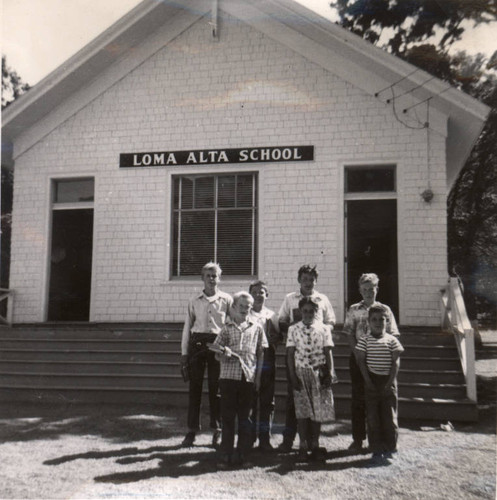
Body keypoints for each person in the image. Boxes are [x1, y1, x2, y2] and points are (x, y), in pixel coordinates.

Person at [278, 264, 335, 452]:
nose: (308, 283)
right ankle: (289, 440)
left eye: (311, 279)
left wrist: (319, 332)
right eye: (304, 279)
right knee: (293, 401)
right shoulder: (290, 299)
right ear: (299, 280)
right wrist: (298, 328)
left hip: (318, 359)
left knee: (317, 404)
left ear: (315, 281)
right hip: (298, 358)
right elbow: (282, 321)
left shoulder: (323, 299)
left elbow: (330, 322)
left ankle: (313, 442)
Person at [343, 273, 399, 452]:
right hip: (359, 358)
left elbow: (393, 334)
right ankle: (358, 439)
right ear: (360, 290)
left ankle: (383, 440)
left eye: (371, 289)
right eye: (364, 289)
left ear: (377, 289)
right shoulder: (354, 309)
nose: (368, 292)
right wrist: (357, 354)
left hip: (381, 359)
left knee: (383, 398)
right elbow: (350, 333)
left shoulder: (385, 309)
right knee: (358, 398)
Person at [211, 291, 267, 469]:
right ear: (233, 308)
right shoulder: (226, 328)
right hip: (228, 378)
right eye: (241, 306)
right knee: (227, 417)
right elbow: (216, 353)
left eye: (248, 307)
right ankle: (225, 454)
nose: (244, 309)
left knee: (245, 418)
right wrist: (223, 353)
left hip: (248, 378)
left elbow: (260, 353)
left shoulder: (256, 327)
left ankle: (243, 454)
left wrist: (258, 377)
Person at [179, 262, 232, 448]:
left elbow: (231, 326)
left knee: (216, 389)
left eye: (215, 276)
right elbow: (187, 328)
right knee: (195, 388)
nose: (211, 279)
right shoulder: (194, 300)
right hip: (197, 344)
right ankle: (191, 431)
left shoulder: (227, 300)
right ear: (202, 278)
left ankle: (217, 430)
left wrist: (229, 349)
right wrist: (184, 353)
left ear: (219, 278)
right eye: (208, 275)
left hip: (218, 344)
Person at [287, 297, 336, 462]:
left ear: (317, 312)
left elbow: (328, 351)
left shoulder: (323, 329)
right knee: (302, 412)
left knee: (317, 411)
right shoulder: (293, 329)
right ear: (300, 311)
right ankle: (302, 444)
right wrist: (293, 376)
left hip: (318, 373)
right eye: (305, 311)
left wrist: (330, 372)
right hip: (301, 373)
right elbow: (289, 354)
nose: (308, 314)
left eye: (312, 311)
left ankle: (314, 444)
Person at [355, 304, 404, 465]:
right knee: (373, 418)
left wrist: (390, 382)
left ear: (387, 321)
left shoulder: (392, 340)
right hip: (371, 382)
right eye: (374, 320)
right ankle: (375, 449)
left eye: (381, 320)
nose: (378, 323)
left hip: (388, 382)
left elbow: (396, 362)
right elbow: (361, 362)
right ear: (368, 322)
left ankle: (390, 448)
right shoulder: (364, 340)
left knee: (389, 417)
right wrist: (367, 381)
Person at [248, 280, 280, 451]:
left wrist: (272, 339)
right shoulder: (246, 313)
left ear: (266, 295)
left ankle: (264, 438)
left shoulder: (272, 315)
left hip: (267, 359)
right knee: (250, 397)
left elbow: (278, 337)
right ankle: (250, 436)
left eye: (262, 292)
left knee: (267, 399)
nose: (258, 295)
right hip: (250, 358)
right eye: (255, 292)